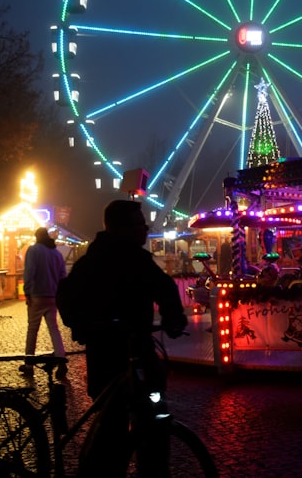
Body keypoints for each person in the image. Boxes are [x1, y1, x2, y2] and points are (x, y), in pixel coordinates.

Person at [61, 200, 187, 477]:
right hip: (109, 354)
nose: (145, 229)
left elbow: (163, 288)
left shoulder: (102, 259)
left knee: (150, 416)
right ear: (121, 228)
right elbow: (69, 300)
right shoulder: (102, 261)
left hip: (133, 349)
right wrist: (90, 326)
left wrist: (172, 315)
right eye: (139, 224)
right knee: (113, 428)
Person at [20, 226, 69, 376]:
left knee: (33, 329)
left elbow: (29, 272)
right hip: (52, 296)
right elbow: (63, 275)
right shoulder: (56, 253)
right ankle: (61, 360)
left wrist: (27, 291)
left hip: (37, 295)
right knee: (54, 328)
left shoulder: (33, 250)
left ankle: (29, 364)